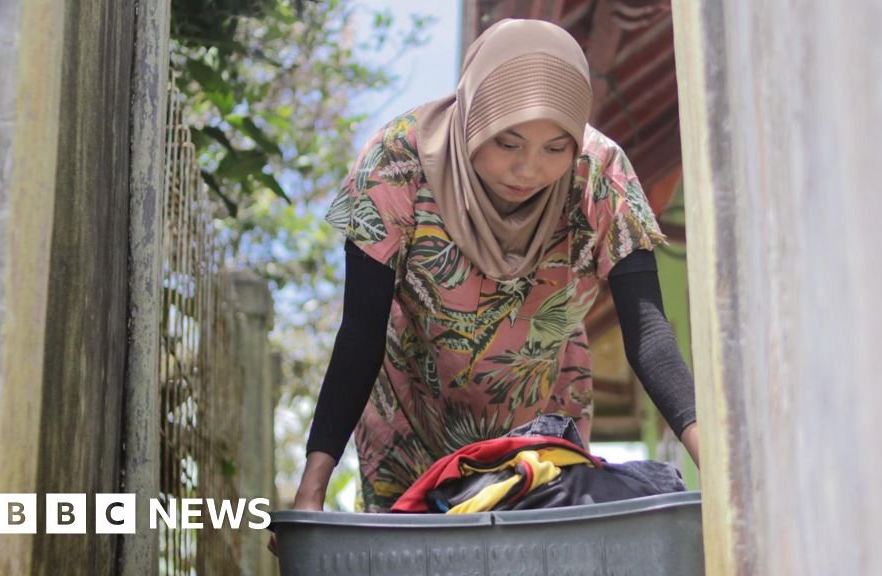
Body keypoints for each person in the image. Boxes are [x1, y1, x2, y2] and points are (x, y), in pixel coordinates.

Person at [296, 18, 698, 516]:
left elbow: (648, 333)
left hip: (540, 434)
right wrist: (311, 490)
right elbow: (360, 332)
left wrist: (718, 469)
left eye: (555, 148)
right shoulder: (395, 164)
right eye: (507, 143)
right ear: (473, 118)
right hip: (410, 420)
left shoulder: (598, 174)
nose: (529, 169)